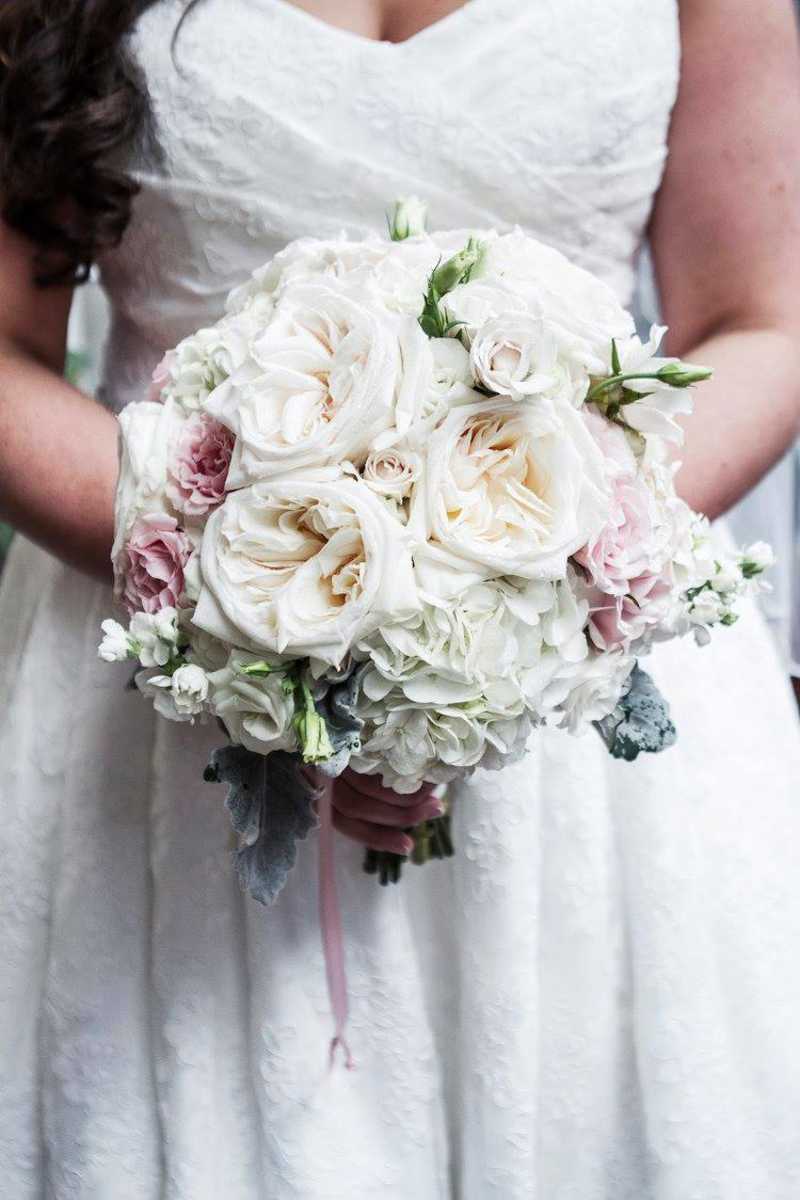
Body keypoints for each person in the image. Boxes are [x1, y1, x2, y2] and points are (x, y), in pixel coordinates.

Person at [1, 2, 799, 1196]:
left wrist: (520, 589)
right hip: (157, 674)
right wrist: (246, 606)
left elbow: (757, 321)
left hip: (593, 693)